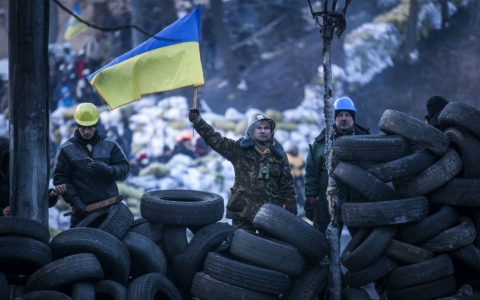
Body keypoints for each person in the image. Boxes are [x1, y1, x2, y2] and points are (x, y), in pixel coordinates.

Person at [189, 109, 297, 231]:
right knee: (239, 247)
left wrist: (291, 213)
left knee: (269, 248)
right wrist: (198, 122)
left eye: (266, 128)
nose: (263, 131)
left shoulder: (279, 156)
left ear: (271, 131)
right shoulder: (239, 150)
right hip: (243, 213)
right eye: (259, 128)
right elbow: (215, 139)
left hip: (270, 215)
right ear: (251, 131)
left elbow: (287, 187)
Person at [52, 103, 130, 227]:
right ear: (77, 125)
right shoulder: (66, 149)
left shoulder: (109, 144)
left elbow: (125, 168)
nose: (86, 131)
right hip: (82, 212)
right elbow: (60, 179)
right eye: (83, 127)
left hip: (110, 209)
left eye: (90, 127)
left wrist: (107, 169)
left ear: (96, 124)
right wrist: (78, 204)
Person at [304, 97, 370, 235]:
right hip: (328, 205)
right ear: (334, 119)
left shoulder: (366, 140)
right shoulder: (321, 144)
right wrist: (310, 200)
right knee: (327, 248)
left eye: (348, 115)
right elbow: (311, 174)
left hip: (358, 204)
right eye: (340, 115)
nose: (344, 118)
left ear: (353, 118)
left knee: (364, 246)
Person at [0, 137, 66, 216]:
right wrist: (2, 212)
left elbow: (37, 199)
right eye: (8, 157)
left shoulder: (22, 176)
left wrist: (51, 195)